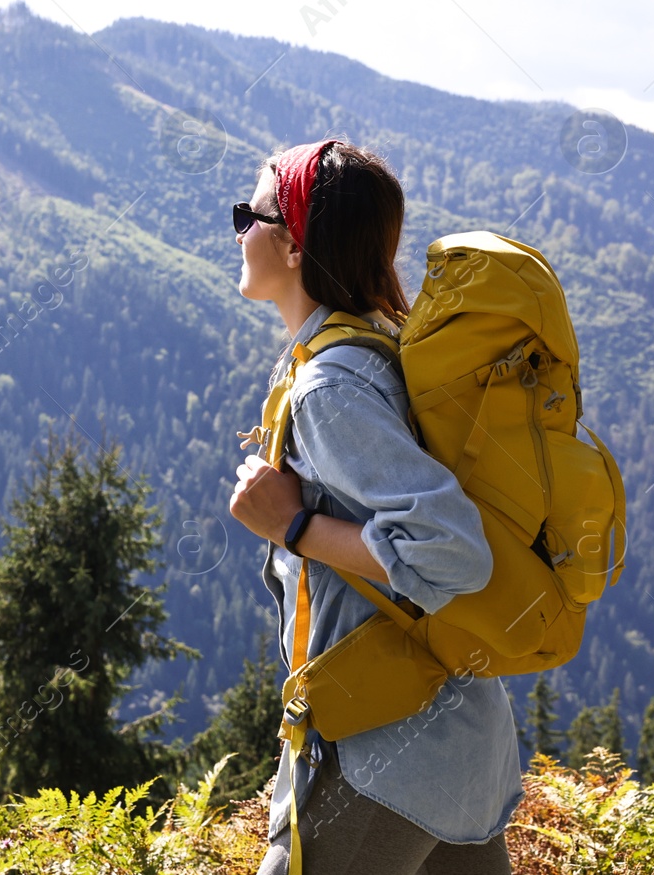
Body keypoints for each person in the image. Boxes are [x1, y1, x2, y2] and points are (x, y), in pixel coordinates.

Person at [227, 138, 521, 874]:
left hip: (384, 756)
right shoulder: (380, 344)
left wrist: (293, 525)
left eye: (250, 214)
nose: (238, 231)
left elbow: (451, 551)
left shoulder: (332, 384)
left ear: (294, 243)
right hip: (460, 742)